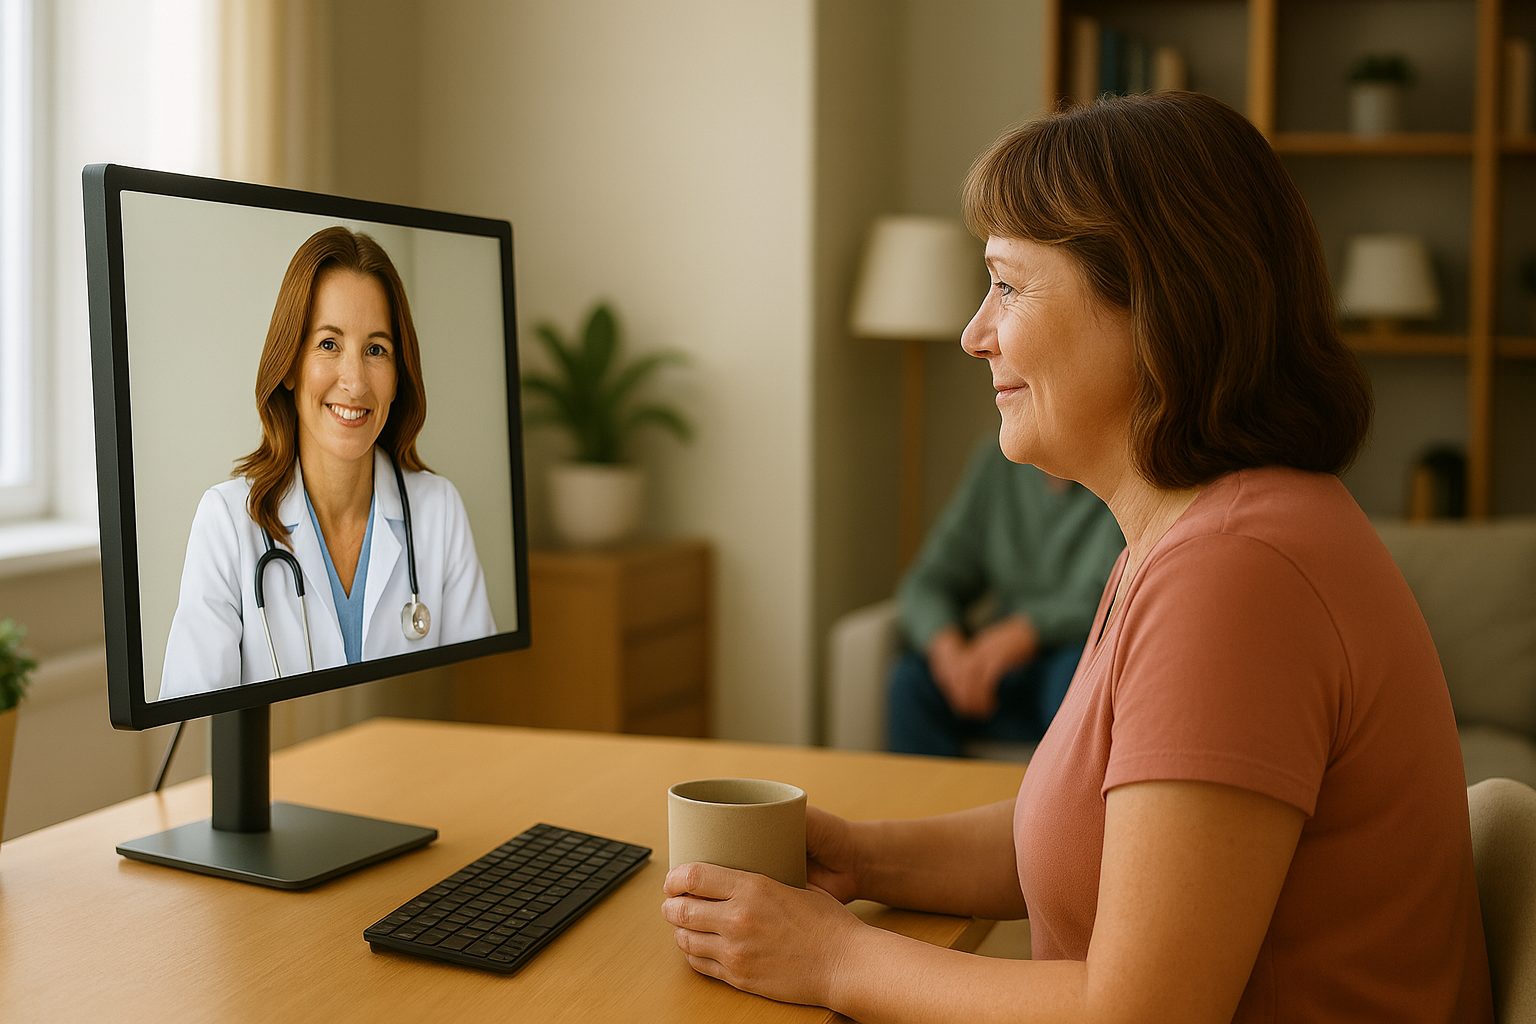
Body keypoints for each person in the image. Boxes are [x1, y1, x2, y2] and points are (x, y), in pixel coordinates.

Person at [662, 92, 1493, 1023]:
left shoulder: (1237, 574)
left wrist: (832, 958)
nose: (975, 333)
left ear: (1157, 305)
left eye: (1008, 287)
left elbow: (1142, 1014)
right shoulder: (1190, 537)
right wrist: (860, 857)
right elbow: (1088, 836)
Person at [160, 227, 496, 700]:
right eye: (328, 344)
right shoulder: (227, 524)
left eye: (376, 350)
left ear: (398, 375)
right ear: (290, 365)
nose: (355, 383)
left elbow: (480, 703)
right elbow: (194, 722)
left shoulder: (439, 511)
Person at [888, 441, 1122, 756]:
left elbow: (1121, 591)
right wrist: (948, 651)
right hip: (1000, 670)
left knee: (1077, 684)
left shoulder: (1126, 471)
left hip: (1076, 653)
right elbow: (927, 582)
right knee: (910, 682)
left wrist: (1028, 630)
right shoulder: (996, 466)